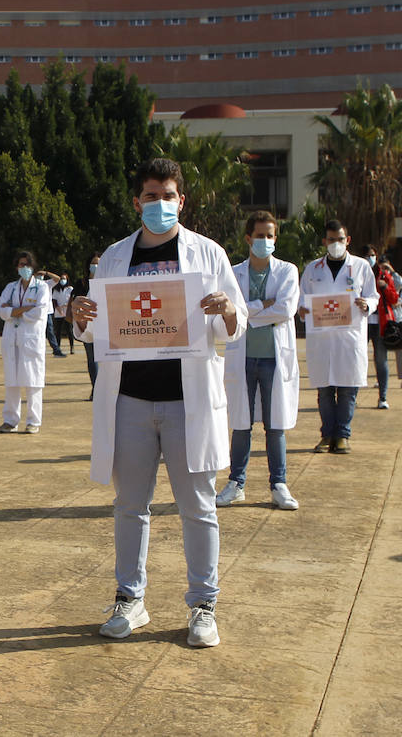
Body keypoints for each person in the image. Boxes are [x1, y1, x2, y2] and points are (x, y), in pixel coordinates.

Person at [70, 157, 245, 649]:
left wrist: (229, 311)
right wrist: (76, 315)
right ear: (136, 202)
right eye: (151, 196)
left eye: (168, 196)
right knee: (130, 505)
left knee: (199, 507)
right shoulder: (114, 257)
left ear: (181, 201)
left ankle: (203, 606)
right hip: (130, 401)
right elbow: (94, 327)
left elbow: (236, 324)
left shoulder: (208, 254)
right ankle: (131, 598)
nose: (160, 204)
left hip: (188, 401)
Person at [217, 212, 300, 510]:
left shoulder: (288, 271)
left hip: (274, 360)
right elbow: (229, 310)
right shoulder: (233, 272)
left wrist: (247, 312)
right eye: (260, 235)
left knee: (275, 424)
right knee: (241, 424)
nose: (265, 241)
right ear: (248, 238)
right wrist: (263, 305)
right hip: (243, 357)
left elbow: (286, 309)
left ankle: (279, 484)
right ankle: (236, 483)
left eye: (270, 235)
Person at [298, 221, 378, 454]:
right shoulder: (313, 269)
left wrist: (368, 304)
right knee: (324, 390)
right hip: (321, 340)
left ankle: (342, 435)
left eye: (340, 240)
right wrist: (302, 310)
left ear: (348, 240)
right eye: (331, 240)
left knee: (347, 389)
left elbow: (374, 296)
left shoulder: (361, 267)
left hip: (349, 339)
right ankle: (326, 435)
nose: (336, 244)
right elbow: (302, 297)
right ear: (324, 242)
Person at [0, 250, 51, 434]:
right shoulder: (11, 287)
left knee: (33, 381)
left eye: (27, 264)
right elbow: (1, 310)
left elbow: (39, 312)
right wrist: (23, 309)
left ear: (33, 266)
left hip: (31, 340)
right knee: (12, 380)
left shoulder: (41, 288)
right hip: (12, 339)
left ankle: (33, 421)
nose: (24, 268)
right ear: (16, 267)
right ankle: (10, 420)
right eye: (21, 264)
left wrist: (14, 310)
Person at [363, 248, 402, 408]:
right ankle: (350, 396)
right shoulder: (356, 274)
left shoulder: (383, 275)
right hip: (361, 323)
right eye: (367, 256)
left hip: (380, 323)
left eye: (372, 255)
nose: (370, 259)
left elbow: (395, 298)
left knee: (381, 360)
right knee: (356, 358)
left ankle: (383, 397)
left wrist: (385, 286)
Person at [70, 253, 102, 401]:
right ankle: (95, 388)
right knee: (92, 359)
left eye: (98, 263)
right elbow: (74, 301)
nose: (95, 266)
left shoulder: (106, 280)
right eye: (93, 263)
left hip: (103, 325)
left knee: (103, 360)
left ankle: (102, 388)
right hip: (86, 325)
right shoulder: (82, 283)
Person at [36, 269, 67, 357]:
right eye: (38, 274)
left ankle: (56, 350)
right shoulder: (32, 284)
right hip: (36, 311)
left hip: (47, 311)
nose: (40, 276)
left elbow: (57, 278)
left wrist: (46, 273)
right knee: (37, 331)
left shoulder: (47, 283)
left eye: (41, 275)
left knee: (50, 331)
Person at [52, 272, 74, 354]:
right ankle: (58, 348)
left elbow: (72, 299)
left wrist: (68, 305)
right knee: (58, 331)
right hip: (58, 312)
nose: (62, 280)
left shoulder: (70, 289)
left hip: (67, 312)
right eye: (61, 279)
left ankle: (72, 347)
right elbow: (54, 300)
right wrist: (58, 308)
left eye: (64, 279)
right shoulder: (56, 289)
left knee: (69, 330)